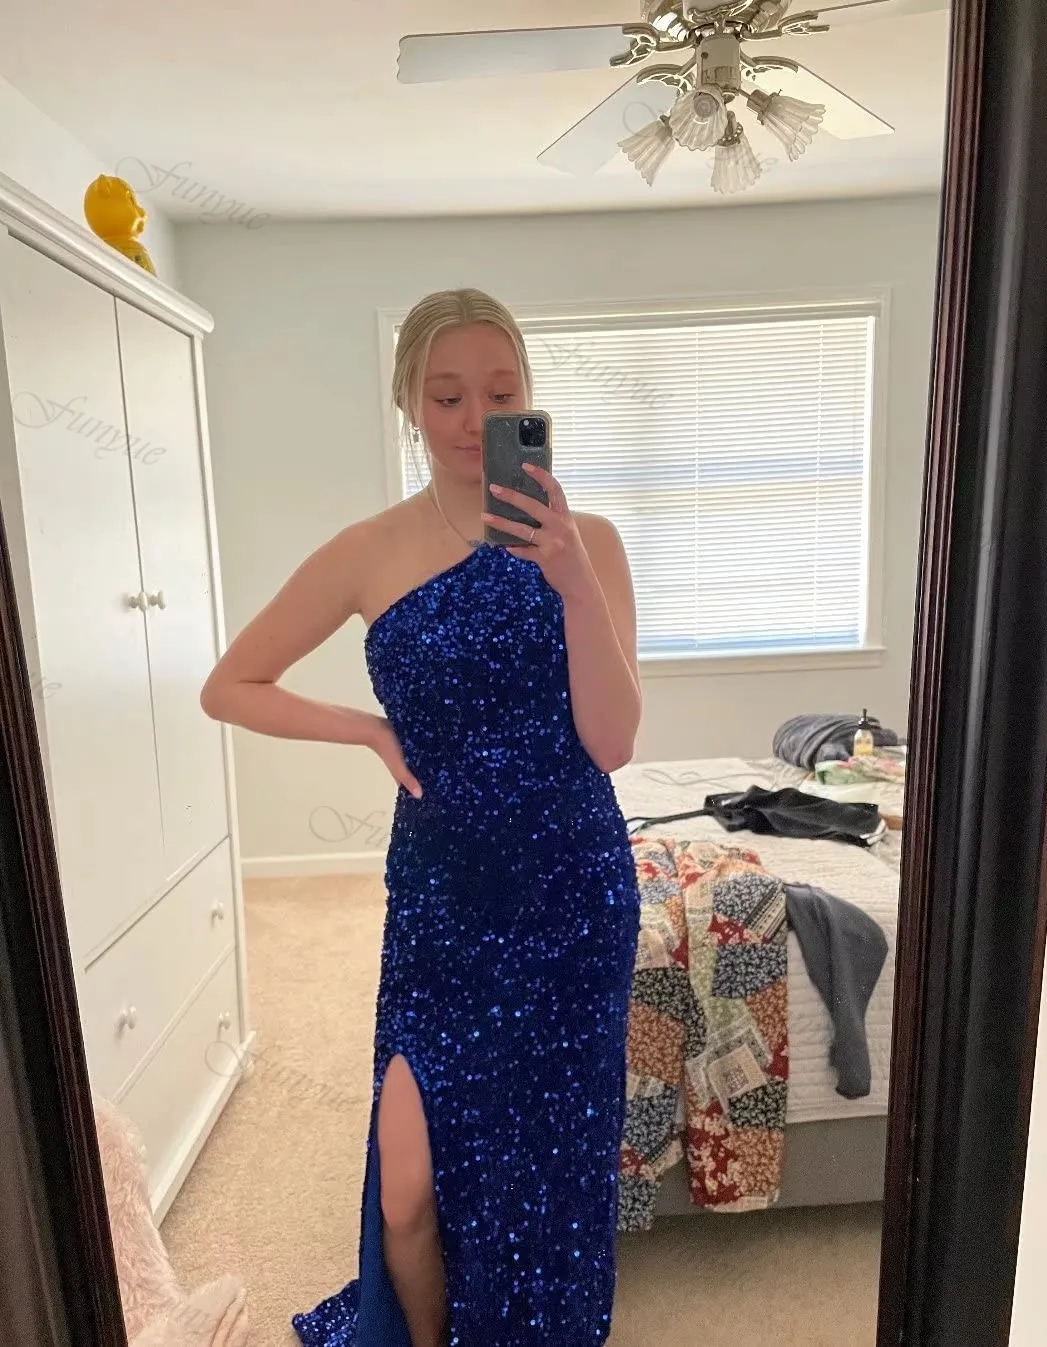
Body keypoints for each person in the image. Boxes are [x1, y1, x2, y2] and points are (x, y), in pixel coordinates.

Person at [200, 287, 643, 1346]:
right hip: (442, 902)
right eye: (446, 396)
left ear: (528, 402)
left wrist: (575, 581)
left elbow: (613, 741)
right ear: (407, 401)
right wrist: (363, 728)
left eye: (500, 393)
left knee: (550, 1165)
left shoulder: (589, 542)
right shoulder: (367, 550)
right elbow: (231, 686)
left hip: (572, 892)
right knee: (406, 1180)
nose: (473, 418)